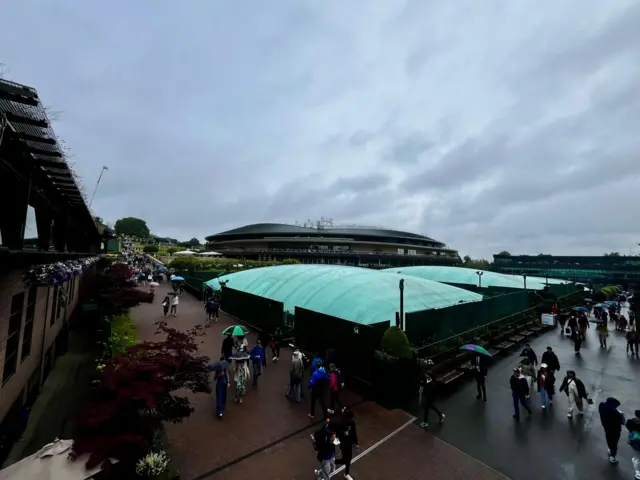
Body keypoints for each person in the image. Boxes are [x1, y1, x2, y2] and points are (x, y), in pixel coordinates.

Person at [598, 397, 625, 464]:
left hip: (606, 427)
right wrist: (622, 415)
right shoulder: (615, 413)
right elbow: (623, 422)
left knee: (608, 438)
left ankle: (610, 449)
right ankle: (612, 457)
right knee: (614, 443)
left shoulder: (602, 405)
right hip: (615, 430)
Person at [335, 411, 359, 480]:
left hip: (349, 444)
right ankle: (334, 463)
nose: (352, 420)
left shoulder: (352, 423)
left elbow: (354, 433)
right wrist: (343, 434)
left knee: (348, 459)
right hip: (344, 444)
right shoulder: (342, 424)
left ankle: (346, 473)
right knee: (346, 460)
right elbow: (338, 434)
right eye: (351, 418)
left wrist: (357, 444)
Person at [625, 410, 640, 480]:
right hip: (637, 442)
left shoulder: (630, 421)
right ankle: (638, 473)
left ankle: (638, 473)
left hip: (634, 441)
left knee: (637, 457)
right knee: (637, 457)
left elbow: (628, 426)